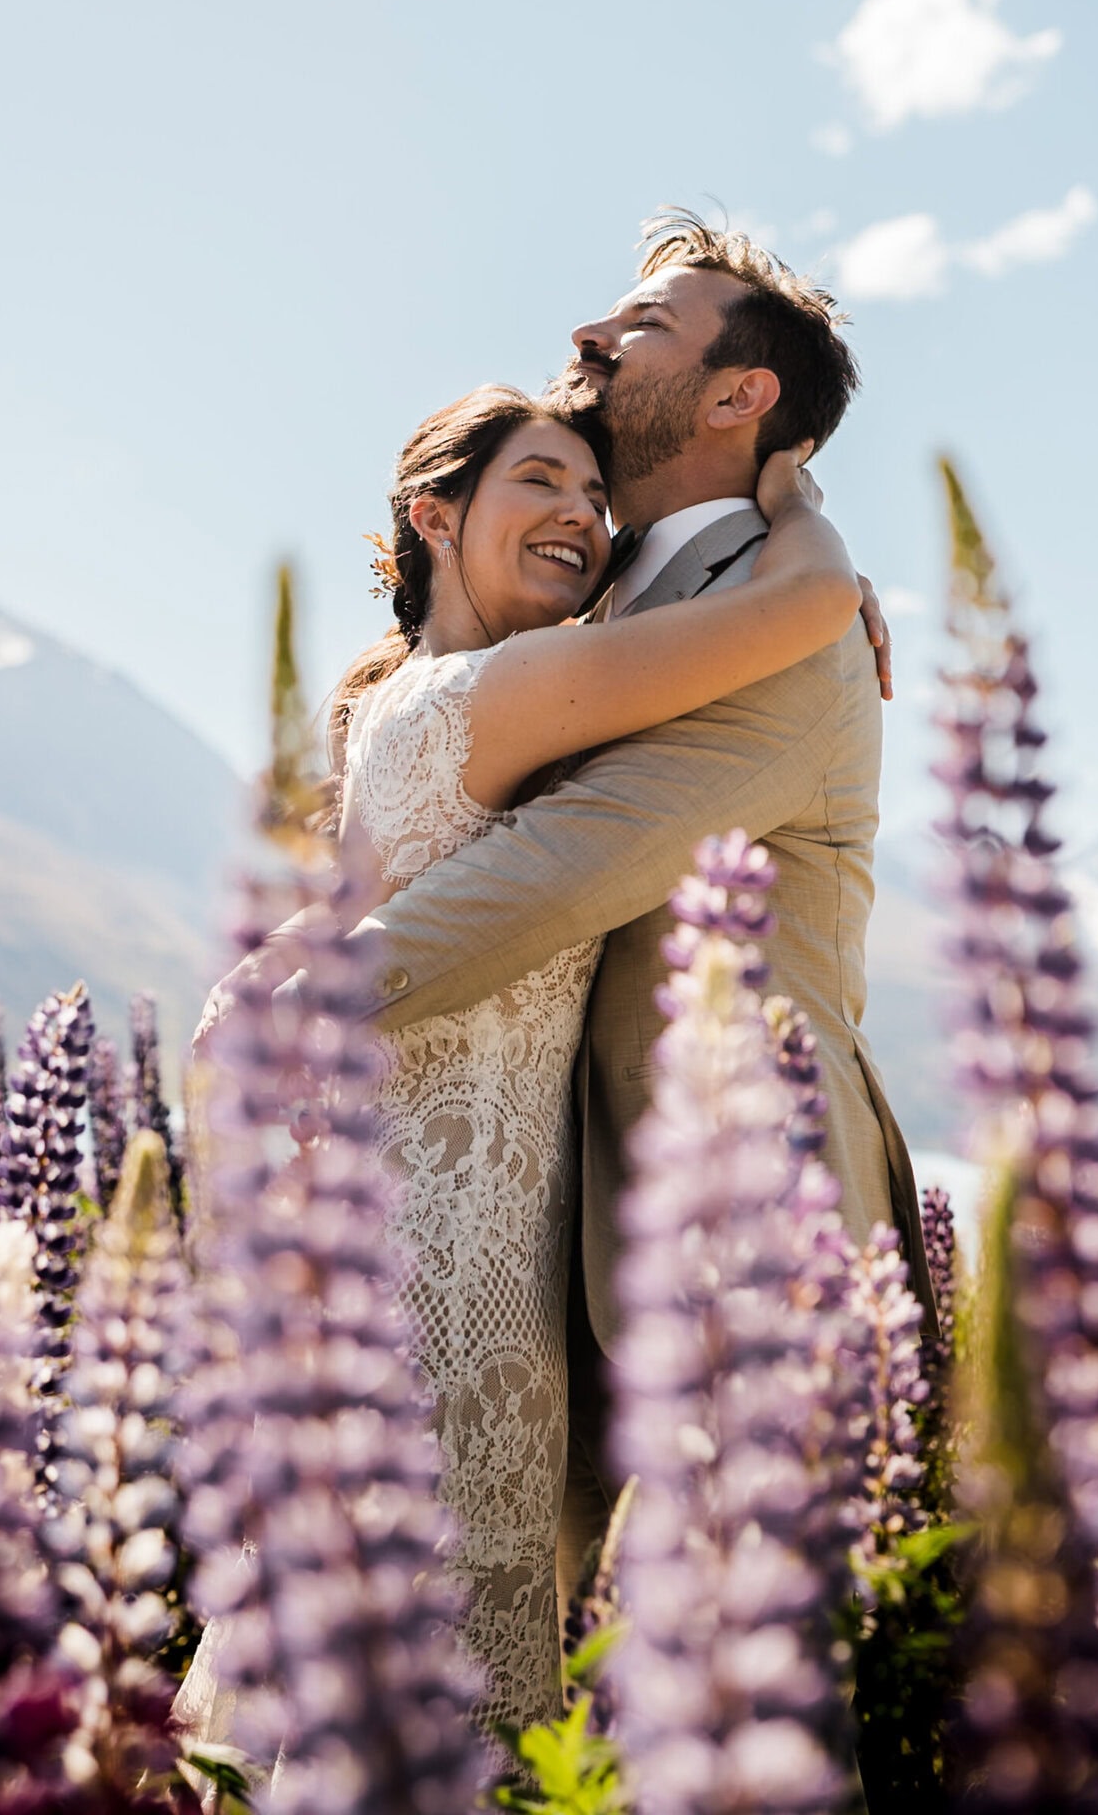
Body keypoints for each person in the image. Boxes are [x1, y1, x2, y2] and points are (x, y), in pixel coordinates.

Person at [198, 376, 868, 1733]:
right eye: (537, 485)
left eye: (591, 496)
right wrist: (805, 520)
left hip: (392, 1227)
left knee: (350, 1662)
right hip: (456, 1262)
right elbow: (793, 618)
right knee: (446, 1692)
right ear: (433, 519)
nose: (579, 515)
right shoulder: (504, 688)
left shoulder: (410, 700)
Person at [343, 211, 935, 1628]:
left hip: (742, 1213)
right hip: (536, 1209)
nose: (588, 338)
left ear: (741, 397)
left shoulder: (782, 626)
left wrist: (291, 1008)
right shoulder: (613, 596)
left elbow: (560, 867)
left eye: (643, 325)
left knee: (756, 1699)